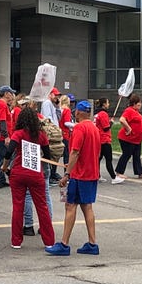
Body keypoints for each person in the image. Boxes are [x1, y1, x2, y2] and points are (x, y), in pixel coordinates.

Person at [46, 100, 102, 256]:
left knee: (70, 206)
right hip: (92, 172)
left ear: (78, 112)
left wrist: (67, 173)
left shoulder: (79, 128)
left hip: (79, 174)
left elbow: (75, 152)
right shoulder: (94, 128)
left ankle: (64, 244)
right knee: (87, 206)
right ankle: (92, 243)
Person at [3, 106, 55, 250]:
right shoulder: (41, 135)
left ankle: (16, 241)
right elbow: (47, 155)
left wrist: (5, 167)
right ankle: (49, 241)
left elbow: (9, 151)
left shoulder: (18, 134)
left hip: (18, 173)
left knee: (18, 207)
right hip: (36, 173)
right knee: (42, 207)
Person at [114, 93, 142, 183]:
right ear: (134, 103)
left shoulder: (136, 112)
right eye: (138, 103)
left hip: (136, 139)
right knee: (126, 154)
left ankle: (139, 172)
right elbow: (122, 119)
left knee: (137, 155)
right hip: (127, 138)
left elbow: (140, 123)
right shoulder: (129, 110)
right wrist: (128, 128)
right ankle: (119, 172)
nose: (140, 105)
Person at [41, 87, 62, 184]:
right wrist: (53, 130)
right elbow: (48, 118)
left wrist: (58, 106)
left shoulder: (52, 104)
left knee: (55, 153)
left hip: (55, 132)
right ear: (50, 94)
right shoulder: (47, 103)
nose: (57, 97)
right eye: (55, 95)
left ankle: (52, 174)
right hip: (51, 133)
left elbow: (59, 117)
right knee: (51, 153)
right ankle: (49, 176)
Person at [94, 98, 117, 182]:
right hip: (104, 139)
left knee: (98, 159)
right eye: (107, 103)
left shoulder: (97, 114)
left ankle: (97, 175)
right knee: (108, 159)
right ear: (103, 104)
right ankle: (113, 177)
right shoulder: (103, 114)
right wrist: (111, 123)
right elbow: (106, 128)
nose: (108, 104)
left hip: (98, 138)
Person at [59, 94, 74, 170]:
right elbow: (66, 122)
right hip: (65, 134)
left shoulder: (59, 110)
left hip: (60, 133)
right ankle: (67, 172)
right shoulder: (67, 110)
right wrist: (75, 125)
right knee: (67, 155)